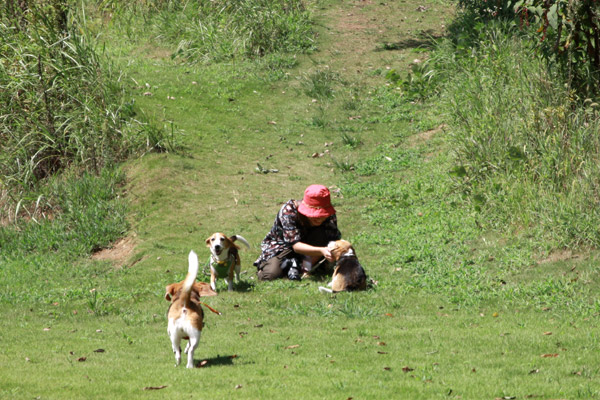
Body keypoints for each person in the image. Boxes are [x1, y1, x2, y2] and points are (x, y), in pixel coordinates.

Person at [254, 184, 342, 281]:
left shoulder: (330, 214)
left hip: (314, 247)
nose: (319, 219)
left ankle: (301, 266)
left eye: (322, 215)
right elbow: (295, 246)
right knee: (269, 275)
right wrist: (322, 250)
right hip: (284, 247)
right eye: (315, 215)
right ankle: (272, 264)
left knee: (323, 236)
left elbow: (333, 239)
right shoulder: (288, 211)